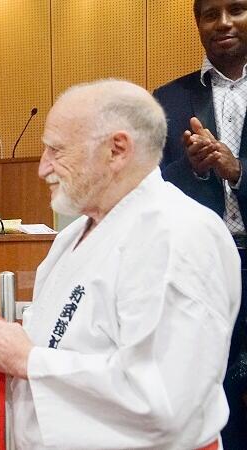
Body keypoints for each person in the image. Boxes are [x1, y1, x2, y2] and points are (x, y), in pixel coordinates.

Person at [0, 79, 240, 449]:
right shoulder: (71, 238)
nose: (43, 169)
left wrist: (26, 359)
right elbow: (61, 341)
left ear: (116, 150)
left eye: (56, 151)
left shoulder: (179, 235)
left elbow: (165, 402)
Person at [153, 0, 247, 445]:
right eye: (211, 13)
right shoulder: (167, 100)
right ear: (198, 24)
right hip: (199, 270)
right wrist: (192, 169)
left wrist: (239, 172)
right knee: (210, 387)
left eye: (237, 9)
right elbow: (149, 191)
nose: (223, 22)